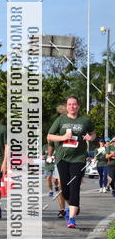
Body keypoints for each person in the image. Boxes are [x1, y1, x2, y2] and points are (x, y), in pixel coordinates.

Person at [47, 95, 96, 228]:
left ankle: (72, 218)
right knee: (65, 189)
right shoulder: (61, 119)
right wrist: (63, 137)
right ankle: (73, 205)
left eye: (74, 104)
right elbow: (49, 136)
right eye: (69, 104)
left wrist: (90, 137)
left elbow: (93, 134)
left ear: (78, 106)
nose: (72, 106)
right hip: (62, 158)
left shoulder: (85, 120)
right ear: (66, 106)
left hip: (78, 158)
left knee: (75, 187)